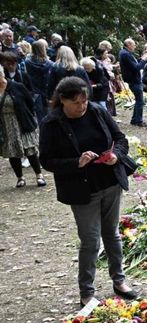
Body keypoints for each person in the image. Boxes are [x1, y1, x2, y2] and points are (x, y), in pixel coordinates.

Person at [39, 77, 139, 307]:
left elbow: (120, 139)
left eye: (84, 100)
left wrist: (116, 155)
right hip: (82, 190)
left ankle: (119, 280)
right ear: (62, 100)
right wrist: (77, 162)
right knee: (91, 241)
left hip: (110, 183)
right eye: (76, 102)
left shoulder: (96, 111)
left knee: (112, 234)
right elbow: (46, 160)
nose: (81, 106)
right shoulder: (52, 123)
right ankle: (86, 291)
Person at [0, 70, 45, 188]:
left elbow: (30, 103)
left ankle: (39, 175)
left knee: (29, 150)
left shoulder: (16, 86)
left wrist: (28, 117)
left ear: (2, 75)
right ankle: (20, 178)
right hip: (6, 125)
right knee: (12, 152)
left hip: (22, 122)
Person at [119, 39, 147, 127]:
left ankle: (135, 119)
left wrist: (140, 59)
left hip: (132, 79)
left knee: (139, 100)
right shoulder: (126, 54)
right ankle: (138, 120)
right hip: (134, 80)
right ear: (128, 44)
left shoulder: (124, 53)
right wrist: (144, 60)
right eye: (134, 45)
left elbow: (133, 64)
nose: (135, 47)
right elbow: (136, 67)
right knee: (140, 101)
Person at [24, 40, 51, 121]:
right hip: (47, 92)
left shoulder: (27, 62)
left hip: (34, 92)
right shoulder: (49, 64)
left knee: (39, 116)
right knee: (48, 114)